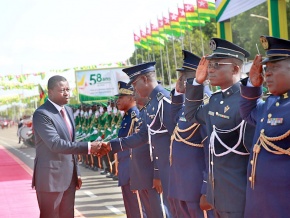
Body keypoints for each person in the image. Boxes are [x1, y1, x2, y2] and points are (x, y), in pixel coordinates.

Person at [184, 38, 255, 218]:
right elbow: (191, 115)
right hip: (218, 197)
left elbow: (253, 156)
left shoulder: (246, 103)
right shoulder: (216, 100)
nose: (211, 69)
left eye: (217, 64)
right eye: (210, 64)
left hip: (239, 197)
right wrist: (197, 84)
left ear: (235, 69)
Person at [96, 62, 175, 217]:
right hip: (159, 171)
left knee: (167, 212)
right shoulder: (150, 105)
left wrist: (157, 173)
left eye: (134, 83)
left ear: (145, 79)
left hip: (169, 171)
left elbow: (172, 141)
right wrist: (110, 146)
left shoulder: (164, 101)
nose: (134, 89)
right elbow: (141, 136)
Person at [32, 75, 99, 218]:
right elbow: (55, 144)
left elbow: (70, 141)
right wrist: (88, 147)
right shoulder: (42, 114)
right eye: (62, 90)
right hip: (51, 180)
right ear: (50, 92)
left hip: (69, 178)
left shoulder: (68, 111)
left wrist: (77, 172)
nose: (67, 93)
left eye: (68, 89)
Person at [240, 35, 290, 217]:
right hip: (260, 204)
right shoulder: (270, 103)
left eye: (274, 68)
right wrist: (253, 86)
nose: (267, 73)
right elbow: (247, 112)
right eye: (266, 68)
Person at [169, 50, 213, 218]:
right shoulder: (190, 103)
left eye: (184, 76)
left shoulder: (205, 103)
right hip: (181, 184)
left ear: (198, 77)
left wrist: (206, 188)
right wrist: (178, 94)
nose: (179, 80)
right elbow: (174, 121)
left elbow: (210, 150)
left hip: (195, 186)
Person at [113, 81, 146, 217]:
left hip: (133, 171)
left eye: (121, 97)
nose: (117, 101)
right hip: (126, 171)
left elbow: (139, 148)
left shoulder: (135, 117)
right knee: (131, 211)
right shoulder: (127, 117)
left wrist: (136, 173)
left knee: (138, 210)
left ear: (131, 98)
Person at [130, 91, 164, 218]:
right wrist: (135, 177)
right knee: (150, 213)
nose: (134, 95)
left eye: (136, 91)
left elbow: (158, 147)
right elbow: (135, 150)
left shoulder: (153, 112)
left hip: (153, 176)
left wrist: (158, 174)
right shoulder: (143, 113)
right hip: (143, 176)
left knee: (159, 212)